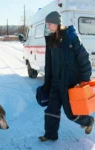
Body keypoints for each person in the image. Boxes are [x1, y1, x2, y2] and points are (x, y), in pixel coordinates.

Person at [39, 11, 94, 142]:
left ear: (58, 24)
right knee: (51, 110)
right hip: (55, 82)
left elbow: (84, 58)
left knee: (71, 113)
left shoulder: (71, 37)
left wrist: (84, 80)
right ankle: (50, 135)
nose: (48, 27)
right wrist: (48, 82)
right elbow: (50, 63)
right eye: (47, 24)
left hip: (69, 83)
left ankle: (89, 121)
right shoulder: (51, 39)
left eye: (50, 24)